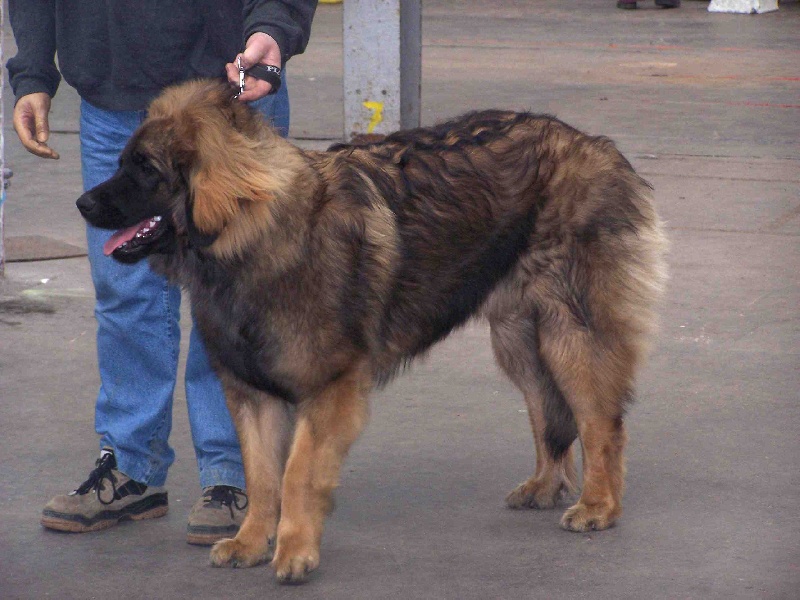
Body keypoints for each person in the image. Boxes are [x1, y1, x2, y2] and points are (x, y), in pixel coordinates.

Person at [7, 0, 317, 545]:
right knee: (123, 292)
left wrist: (273, 29)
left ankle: (233, 474)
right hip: (113, 95)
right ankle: (132, 467)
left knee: (232, 298)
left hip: (226, 104)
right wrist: (33, 68)